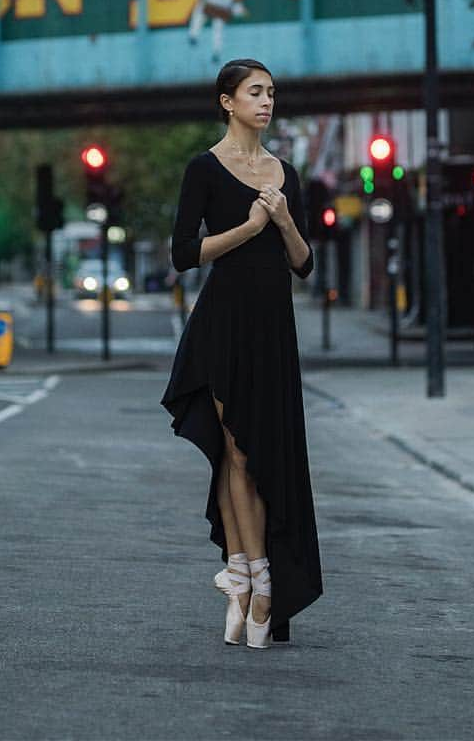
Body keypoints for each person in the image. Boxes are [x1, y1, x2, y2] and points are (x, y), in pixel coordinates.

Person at [161, 58, 323, 648]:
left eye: (272, 92)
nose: (267, 101)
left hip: (273, 325)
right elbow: (184, 254)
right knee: (236, 448)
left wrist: (280, 220)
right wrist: (249, 228)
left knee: (257, 455)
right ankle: (255, 582)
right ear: (227, 101)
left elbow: (304, 263)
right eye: (255, 92)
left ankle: (244, 579)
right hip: (224, 323)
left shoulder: (286, 175)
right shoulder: (203, 169)